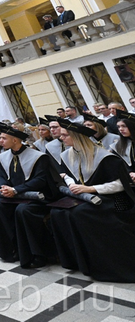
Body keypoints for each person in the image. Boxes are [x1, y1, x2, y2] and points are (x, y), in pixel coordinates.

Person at [50, 119, 135, 282]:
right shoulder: (67, 154)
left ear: (77, 137)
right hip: (85, 197)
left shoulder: (105, 157)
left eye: (65, 135)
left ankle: (101, 264)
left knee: (81, 213)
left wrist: (91, 189)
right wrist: (71, 184)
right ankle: (78, 262)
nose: (61, 138)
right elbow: (68, 175)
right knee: (57, 212)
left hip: (115, 200)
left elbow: (120, 184)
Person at [0, 123, 61, 268]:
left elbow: (40, 180)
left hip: (36, 196)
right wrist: (4, 187)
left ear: (15, 140)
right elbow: (2, 176)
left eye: (4, 138)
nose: (0, 141)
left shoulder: (38, 157)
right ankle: (11, 250)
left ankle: (38, 255)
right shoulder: (3, 157)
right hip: (14, 195)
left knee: (23, 211)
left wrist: (16, 190)